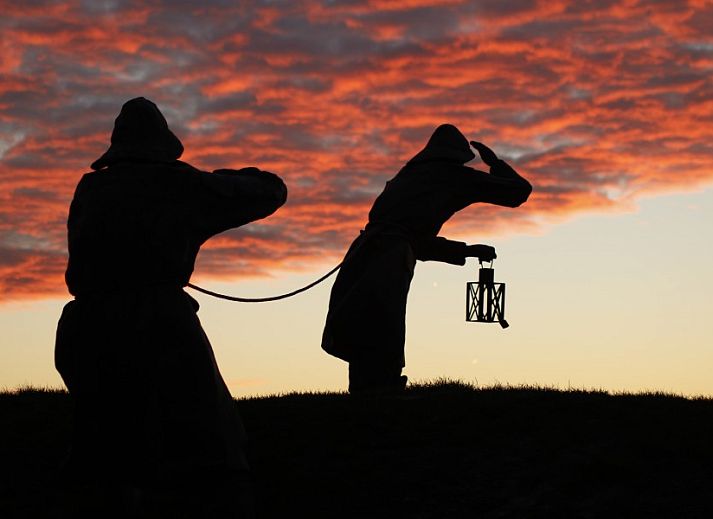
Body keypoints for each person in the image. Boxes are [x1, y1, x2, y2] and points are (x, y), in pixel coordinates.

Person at [54, 97, 287, 517]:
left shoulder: (90, 187)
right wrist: (208, 178)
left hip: (85, 328)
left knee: (105, 448)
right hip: (158, 322)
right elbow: (270, 190)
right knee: (212, 446)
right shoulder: (180, 183)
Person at [321, 124, 532, 393]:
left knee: (364, 321)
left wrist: (466, 250)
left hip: (363, 253)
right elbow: (518, 192)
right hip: (390, 256)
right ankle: (382, 391)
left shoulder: (407, 176)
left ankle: (369, 391)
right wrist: (495, 163)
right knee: (383, 321)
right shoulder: (453, 176)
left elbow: (414, 240)